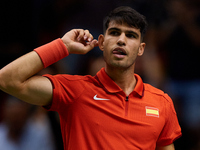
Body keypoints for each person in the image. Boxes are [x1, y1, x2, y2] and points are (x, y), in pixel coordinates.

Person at [0, 6, 181, 150]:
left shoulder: (162, 103)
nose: (121, 40)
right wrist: (62, 46)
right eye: (115, 32)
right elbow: (6, 80)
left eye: (131, 35)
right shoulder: (74, 91)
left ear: (141, 49)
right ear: (101, 42)